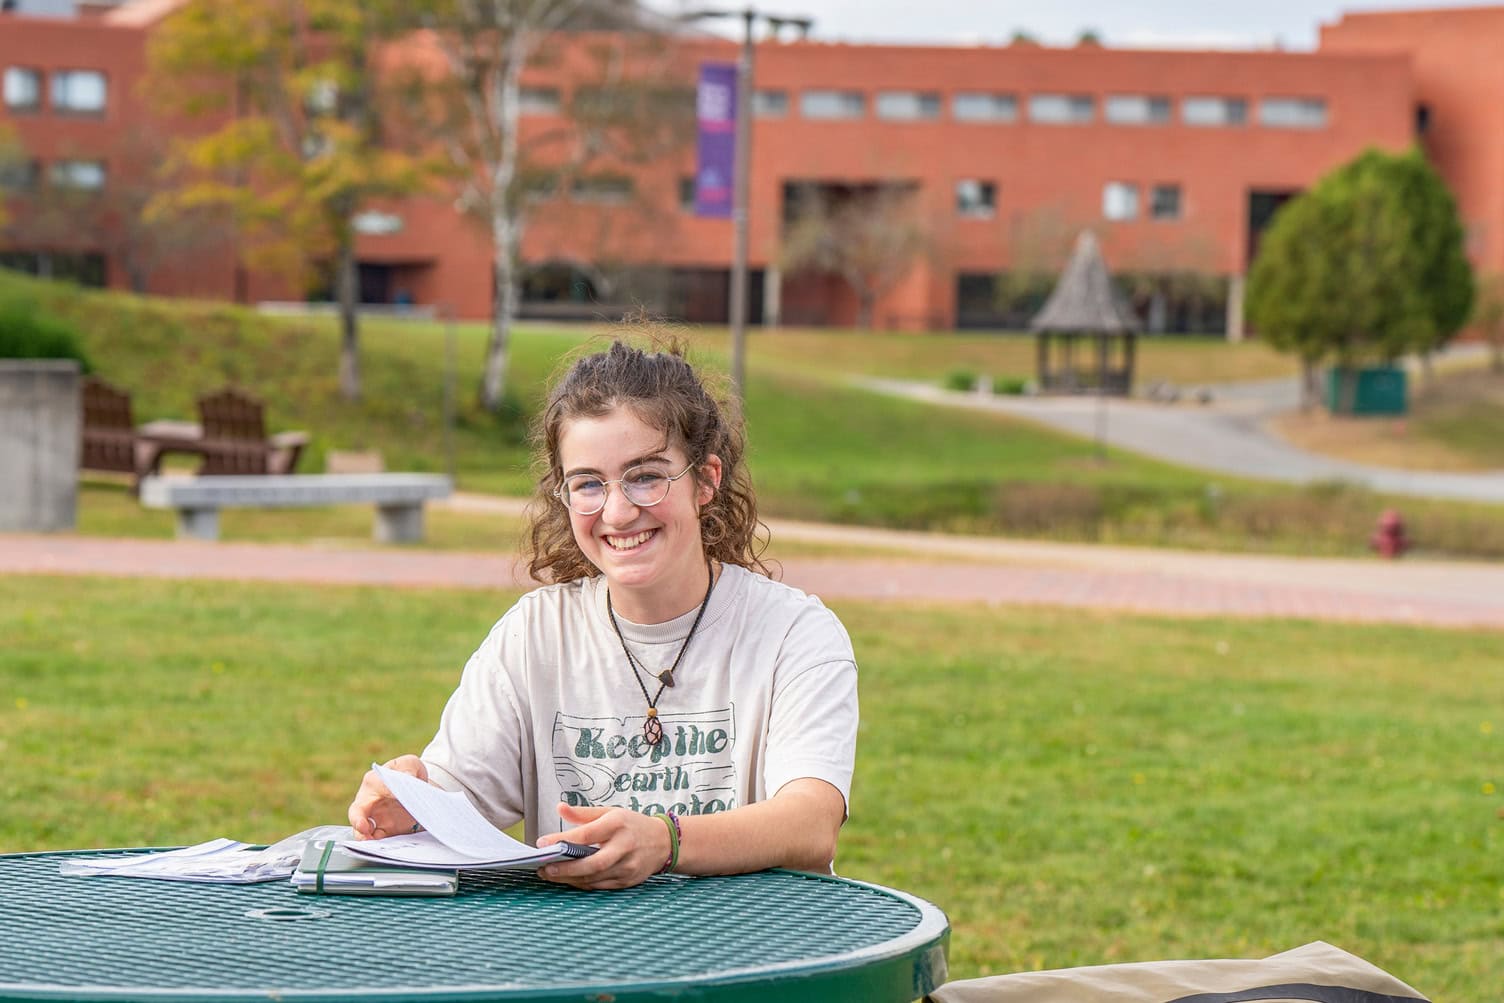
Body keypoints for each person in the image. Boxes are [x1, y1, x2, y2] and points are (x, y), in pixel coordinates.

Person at [348, 338, 858, 890]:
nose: (617, 511)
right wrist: (411, 798)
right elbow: (458, 799)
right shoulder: (535, 634)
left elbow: (810, 822)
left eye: (646, 476)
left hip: (752, 951)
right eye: (588, 484)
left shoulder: (794, 633)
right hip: (579, 958)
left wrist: (665, 842)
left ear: (706, 480)